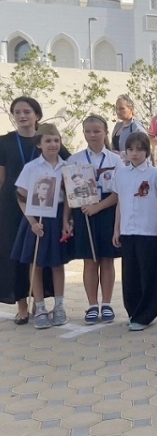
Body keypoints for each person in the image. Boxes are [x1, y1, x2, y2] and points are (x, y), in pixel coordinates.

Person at [0, 97, 69, 323]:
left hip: (48, 209)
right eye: (17, 112)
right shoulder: (5, 142)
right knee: (17, 257)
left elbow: (73, 170)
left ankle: (50, 304)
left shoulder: (50, 138)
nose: (22, 115)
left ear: (36, 115)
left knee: (48, 258)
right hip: (13, 208)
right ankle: (22, 306)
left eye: (27, 111)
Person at [65, 115, 125, 325]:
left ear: (106, 132)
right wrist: (66, 220)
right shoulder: (75, 160)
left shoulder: (115, 160)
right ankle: (92, 305)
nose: (92, 135)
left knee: (107, 259)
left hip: (107, 210)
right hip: (83, 212)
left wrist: (98, 206)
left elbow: (119, 192)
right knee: (89, 261)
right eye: (88, 131)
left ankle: (106, 304)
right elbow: (69, 194)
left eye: (97, 131)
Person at [111, 132, 157, 331]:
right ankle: (133, 312)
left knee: (149, 274)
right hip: (128, 231)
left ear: (147, 152)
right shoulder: (121, 174)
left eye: (140, 149)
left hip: (150, 230)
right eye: (131, 149)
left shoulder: (155, 174)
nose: (135, 153)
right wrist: (116, 229)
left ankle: (147, 314)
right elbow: (120, 203)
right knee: (130, 274)